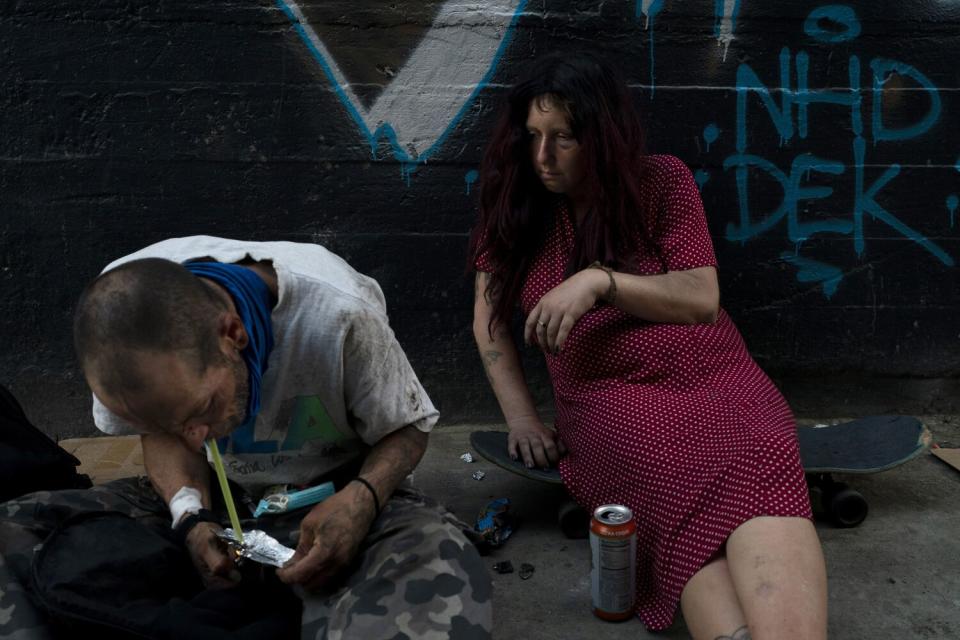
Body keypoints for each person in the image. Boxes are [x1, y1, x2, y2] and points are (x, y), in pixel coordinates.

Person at [467, 53, 827, 639]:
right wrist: (522, 418)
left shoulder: (661, 182)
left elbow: (701, 297)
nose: (542, 157)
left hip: (717, 374)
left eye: (563, 138)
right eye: (533, 136)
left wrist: (599, 281)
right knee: (676, 480)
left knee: (760, 451)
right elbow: (488, 322)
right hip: (611, 394)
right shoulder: (515, 204)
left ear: (601, 135)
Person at [2, 236, 491, 639]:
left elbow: (408, 428)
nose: (194, 438)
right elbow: (165, 439)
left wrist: (361, 501)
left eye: (202, 410)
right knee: (14, 530)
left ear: (233, 333)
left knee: (434, 572)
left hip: (333, 494)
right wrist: (190, 516)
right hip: (211, 498)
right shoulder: (119, 327)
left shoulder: (337, 314)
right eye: (174, 425)